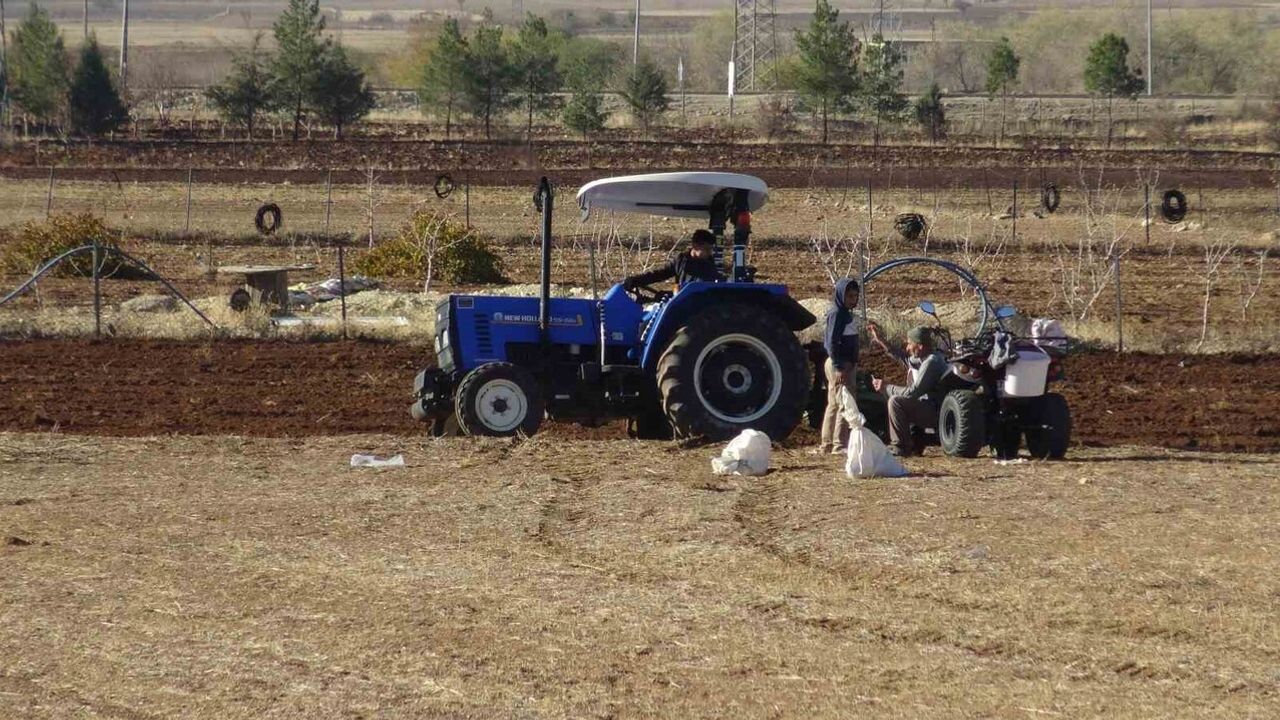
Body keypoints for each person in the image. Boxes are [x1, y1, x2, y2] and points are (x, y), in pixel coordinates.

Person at [868, 325, 949, 457]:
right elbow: (904, 358)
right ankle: (913, 443)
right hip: (934, 408)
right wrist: (881, 340)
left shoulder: (931, 362)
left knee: (896, 402)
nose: (907, 348)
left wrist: (886, 388)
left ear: (920, 346)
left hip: (936, 412)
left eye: (910, 344)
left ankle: (900, 446)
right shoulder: (926, 357)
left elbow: (913, 392)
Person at [818, 278, 861, 454]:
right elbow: (831, 342)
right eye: (849, 296)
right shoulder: (837, 314)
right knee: (844, 403)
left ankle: (827, 444)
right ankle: (839, 445)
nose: (853, 299)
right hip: (840, 364)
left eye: (855, 296)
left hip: (843, 364)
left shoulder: (844, 313)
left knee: (834, 404)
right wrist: (839, 367)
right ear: (841, 295)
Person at [622, 229, 722, 291]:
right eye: (706, 249)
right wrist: (636, 281)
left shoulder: (709, 266)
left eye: (710, 249)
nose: (709, 252)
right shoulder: (681, 260)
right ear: (695, 246)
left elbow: (704, 289)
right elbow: (660, 274)